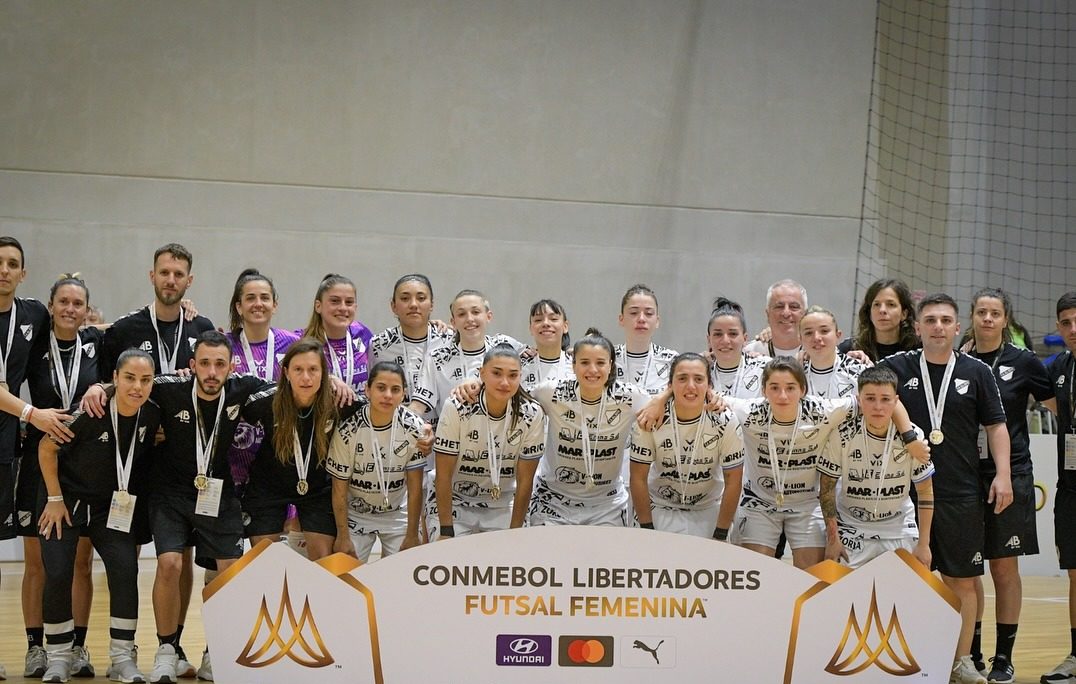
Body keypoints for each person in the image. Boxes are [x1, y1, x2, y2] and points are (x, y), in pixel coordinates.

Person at [93, 243, 216, 680]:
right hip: (130, 459)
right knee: (121, 556)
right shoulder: (124, 329)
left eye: (179, 273)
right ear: (152, 276)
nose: (171, 280)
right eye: (164, 272)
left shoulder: (202, 328)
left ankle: (174, 644)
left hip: (182, 463)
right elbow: (102, 381)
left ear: (189, 280)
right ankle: (110, 649)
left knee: (175, 557)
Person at [877, 293, 1011, 684]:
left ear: (957, 327)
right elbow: (866, 391)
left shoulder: (977, 372)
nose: (938, 326)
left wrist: (1002, 474)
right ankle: (902, 658)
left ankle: (961, 660)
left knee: (962, 580)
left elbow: (996, 426)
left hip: (960, 492)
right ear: (917, 327)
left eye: (945, 320)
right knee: (904, 580)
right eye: (930, 320)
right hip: (901, 495)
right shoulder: (896, 367)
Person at [725, 358, 926, 569]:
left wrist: (910, 438)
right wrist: (714, 399)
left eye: (790, 388)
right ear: (763, 390)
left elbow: (887, 401)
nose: (782, 395)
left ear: (803, 389)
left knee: (811, 576)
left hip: (807, 504)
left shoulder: (822, 410)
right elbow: (707, 397)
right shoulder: (748, 411)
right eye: (774, 388)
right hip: (761, 503)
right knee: (753, 572)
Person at [37, 349, 160, 683]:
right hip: (66, 502)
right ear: (115, 379)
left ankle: (122, 657)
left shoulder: (152, 413)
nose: (138, 386)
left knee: (125, 570)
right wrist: (54, 498)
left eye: (145, 380)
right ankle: (60, 657)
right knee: (59, 572)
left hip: (111, 509)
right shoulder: (90, 410)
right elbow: (46, 448)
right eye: (130, 378)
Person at [956, 288, 1055, 683]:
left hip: (1010, 473)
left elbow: (1058, 405)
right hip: (965, 475)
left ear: (1006, 319)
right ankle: (973, 652)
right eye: (981, 312)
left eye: (995, 313)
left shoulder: (1025, 362)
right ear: (973, 316)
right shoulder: (957, 360)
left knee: (1003, 567)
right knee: (967, 569)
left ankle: (1004, 656)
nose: (987, 319)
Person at [19, 275, 103, 678]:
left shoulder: (97, 344)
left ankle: (78, 647)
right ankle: (37, 647)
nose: (71, 309)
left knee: (81, 563)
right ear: (51, 306)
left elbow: (121, 366)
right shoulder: (34, 345)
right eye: (64, 302)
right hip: (38, 462)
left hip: (82, 464)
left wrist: (100, 384)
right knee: (40, 565)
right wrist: (33, 415)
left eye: (78, 303)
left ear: (87, 311)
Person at [525, 329, 651, 526]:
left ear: (610, 366)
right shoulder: (551, 392)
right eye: (584, 362)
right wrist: (473, 383)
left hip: (606, 504)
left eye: (600, 363)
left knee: (604, 557)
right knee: (548, 556)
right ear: (573, 365)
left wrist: (707, 398)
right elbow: (511, 395)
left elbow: (667, 405)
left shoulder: (630, 397)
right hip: (553, 501)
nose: (592, 370)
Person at [0, 237, 54, 681]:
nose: (4, 270)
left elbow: (81, 323)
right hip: (20, 421)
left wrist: (187, 311)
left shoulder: (33, 314)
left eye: (12, 264)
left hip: (5, 450)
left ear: (23, 273)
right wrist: (32, 413)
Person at [816, 366, 935, 568]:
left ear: (896, 401)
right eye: (870, 398)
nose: (878, 406)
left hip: (898, 526)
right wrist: (832, 539)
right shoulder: (842, 434)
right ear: (859, 400)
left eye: (885, 399)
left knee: (903, 596)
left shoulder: (913, 437)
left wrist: (924, 544)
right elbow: (826, 489)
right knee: (843, 595)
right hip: (852, 526)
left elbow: (925, 491)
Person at [628, 353, 744, 539]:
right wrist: (647, 528)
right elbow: (638, 478)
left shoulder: (725, 420)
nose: (690, 386)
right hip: (661, 505)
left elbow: (733, 481)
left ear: (709, 386)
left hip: (708, 507)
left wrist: (721, 532)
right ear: (670, 385)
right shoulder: (652, 418)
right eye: (682, 378)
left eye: (698, 379)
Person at [434, 346, 545, 537]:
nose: (504, 382)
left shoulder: (532, 413)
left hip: (504, 503)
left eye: (513, 375)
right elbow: (443, 475)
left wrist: (515, 532)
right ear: (482, 374)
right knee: (448, 560)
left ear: (520, 377)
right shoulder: (457, 406)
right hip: (456, 501)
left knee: (510, 560)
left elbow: (525, 480)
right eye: (496, 373)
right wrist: (446, 529)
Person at [327, 361, 429, 560]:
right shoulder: (348, 430)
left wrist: (411, 535)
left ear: (404, 394)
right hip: (356, 514)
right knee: (346, 574)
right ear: (367, 390)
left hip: (397, 514)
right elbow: (339, 489)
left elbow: (415, 487)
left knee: (404, 574)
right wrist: (342, 535)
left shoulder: (414, 427)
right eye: (381, 388)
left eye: (395, 389)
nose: (388, 395)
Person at [1039, 291, 1076, 684]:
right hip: (1071, 488)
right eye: (1065, 322)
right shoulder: (1059, 368)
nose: (1073, 329)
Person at [414, 289, 523, 419]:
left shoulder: (506, 347)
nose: (470, 319)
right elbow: (418, 406)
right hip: (451, 435)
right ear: (453, 322)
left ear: (488, 316)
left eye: (476, 312)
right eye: (461, 314)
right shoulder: (436, 358)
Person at [369, 274, 454, 417]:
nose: (413, 304)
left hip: (445, 432)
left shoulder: (450, 340)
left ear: (431, 305)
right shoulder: (379, 345)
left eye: (421, 298)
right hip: (397, 432)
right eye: (404, 298)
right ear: (393, 306)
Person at [301, 274, 373, 394]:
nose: (343, 308)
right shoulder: (301, 340)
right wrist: (327, 378)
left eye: (349, 302)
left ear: (355, 307)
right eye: (335, 301)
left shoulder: (362, 333)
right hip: (321, 412)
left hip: (360, 411)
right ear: (318, 306)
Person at [838, 278, 921, 362]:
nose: (882, 310)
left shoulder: (918, 350)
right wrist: (844, 363)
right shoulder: (849, 349)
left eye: (891, 304)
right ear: (869, 312)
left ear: (904, 314)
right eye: (877, 304)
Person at [615, 285, 677, 395]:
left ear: (657, 321)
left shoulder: (672, 360)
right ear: (621, 319)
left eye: (648, 313)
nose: (641, 319)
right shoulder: (608, 358)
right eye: (634, 313)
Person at [799, 305, 869, 400]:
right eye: (808, 333)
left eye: (824, 331)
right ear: (800, 339)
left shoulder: (860, 371)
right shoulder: (795, 374)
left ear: (838, 335)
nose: (816, 338)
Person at [706, 298, 769, 399]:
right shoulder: (702, 372)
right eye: (718, 334)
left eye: (733, 334)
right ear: (709, 340)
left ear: (745, 339)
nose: (725, 341)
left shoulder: (765, 368)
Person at [743, 279, 808, 358]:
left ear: (805, 314)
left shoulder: (818, 351)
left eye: (794, 307)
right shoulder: (748, 353)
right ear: (768, 314)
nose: (786, 313)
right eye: (779, 307)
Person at [520, 299, 573, 391]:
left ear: (565, 326)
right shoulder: (519, 367)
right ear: (531, 329)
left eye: (553, 319)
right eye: (538, 320)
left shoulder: (576, 365)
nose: (545, 323)